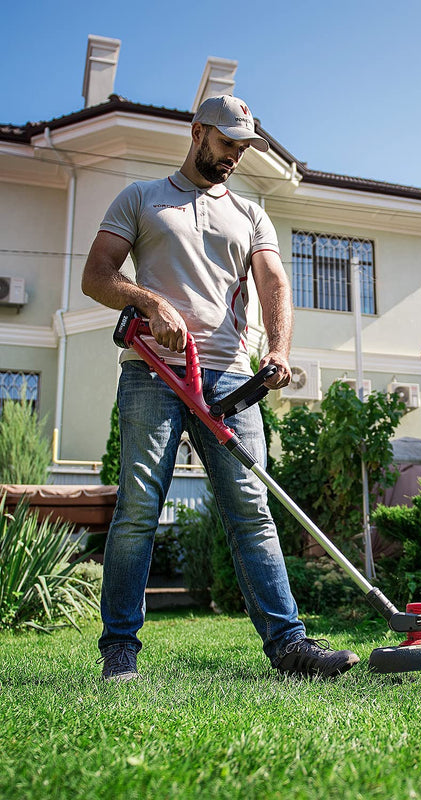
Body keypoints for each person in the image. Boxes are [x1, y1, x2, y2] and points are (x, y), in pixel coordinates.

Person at [82, 95, 359, 682]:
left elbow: (274, 282)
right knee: (137, 511)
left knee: (252, 510)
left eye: (243, 145)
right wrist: (147, 300)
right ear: (197, 132)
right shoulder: (140, 198)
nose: (235, 154)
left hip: (232, 377)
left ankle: (290, 648)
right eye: (227, 142)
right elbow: (98, 275)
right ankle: (120, 653)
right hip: (154, 372)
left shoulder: (251, 214)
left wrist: (278, 350)